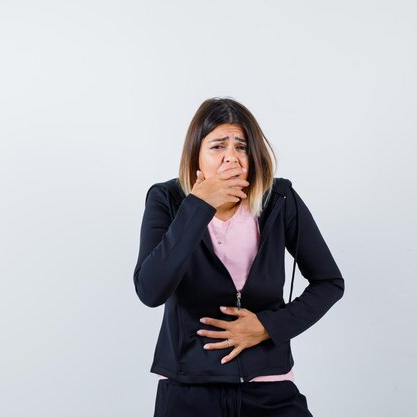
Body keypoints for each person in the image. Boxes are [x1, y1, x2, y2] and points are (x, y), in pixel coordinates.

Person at [133, 97, 345, 417]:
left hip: (269, 388)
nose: (231, 156)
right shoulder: (167, 199)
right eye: (218, 146)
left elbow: (329, 282)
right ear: (196, 155)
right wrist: (198, 206)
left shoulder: (280, 199)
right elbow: (150, 290)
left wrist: (267, 326)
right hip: (188, 388)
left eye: (242, 146)